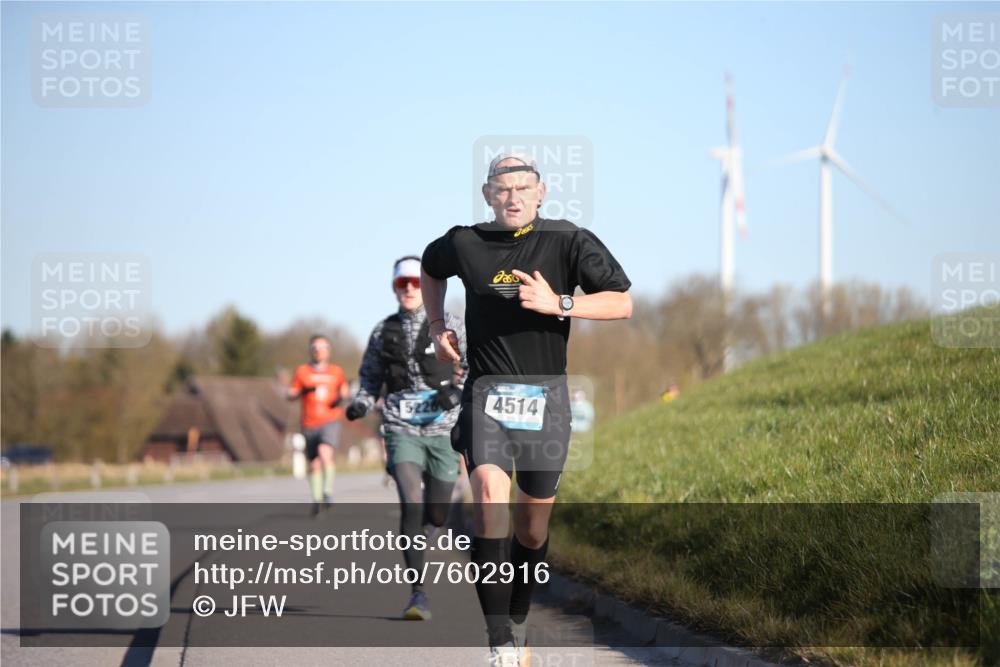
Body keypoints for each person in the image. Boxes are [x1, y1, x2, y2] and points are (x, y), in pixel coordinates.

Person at [421, 153, 632, 665]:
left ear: (541, 193)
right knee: (490, 497)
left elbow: (621, 301)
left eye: (523, 187)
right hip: (485, 391)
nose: (512, 196)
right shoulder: (464, 243)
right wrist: (435, 326)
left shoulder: (566, 239)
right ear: (487, 194)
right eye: (502, 187)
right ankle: (500, 644)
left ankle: (516, 613)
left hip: (547, 397)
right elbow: (430, 268)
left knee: (532, 529)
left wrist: (560, 303)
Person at [345, 255, 467, 621]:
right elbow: (369, 378)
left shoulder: (454, 325)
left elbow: (479, 365)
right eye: (403, 284)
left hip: (443, 429)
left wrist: (457, 391)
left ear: (426, 285)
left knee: (437, 513)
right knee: (411, 503)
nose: (410, 289)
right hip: (400, 427)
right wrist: (361, 404)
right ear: (395, 288)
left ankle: (430, 527)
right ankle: (418, 595)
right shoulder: (383, 331)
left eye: (415, 282)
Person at [286, 334, 349, 515]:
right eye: (315, 348)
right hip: (309, 422)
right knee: (313, 464)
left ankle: (328, 491)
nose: (318, 351)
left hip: (330, 419)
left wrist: (340, 399)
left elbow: (345, 392)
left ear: (328, 351)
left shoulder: (336, 371)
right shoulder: (302, 372)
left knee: (325, 452)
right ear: (310, 351)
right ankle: (316, 498)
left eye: (322, 348)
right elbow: (290, 394)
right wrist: (300, 391)